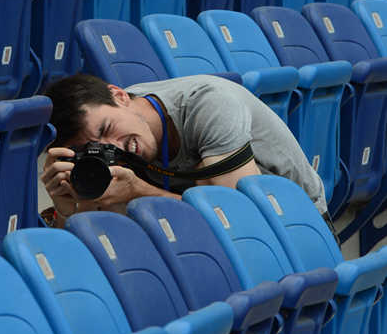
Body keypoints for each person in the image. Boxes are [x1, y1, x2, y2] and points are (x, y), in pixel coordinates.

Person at [41, 72, 330, 231]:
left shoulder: (210, 104)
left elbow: (238, 221)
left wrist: (138, 191)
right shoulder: (113, 150)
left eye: (107, 128)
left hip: (297, 225)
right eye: (99, 146)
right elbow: (105, 244)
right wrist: (70, 210)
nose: (115, 148)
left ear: (120, 95)